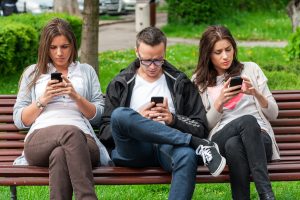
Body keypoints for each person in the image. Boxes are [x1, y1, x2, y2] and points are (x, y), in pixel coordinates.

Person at [98, 26, 226, 200]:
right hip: (134, 148)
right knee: (121, 115)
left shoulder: (180, 82)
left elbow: (200, 126)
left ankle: (190, 144)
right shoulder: (121, 82)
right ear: (137, 52)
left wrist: (173, 119)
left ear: (165, 52)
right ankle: (194, 143)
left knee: (187, 156)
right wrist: (137, 118)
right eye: (147, 60)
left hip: (168, 146)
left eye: (158, 60)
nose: (152, 66)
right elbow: (105, 130)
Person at [13, 18, 111, 200]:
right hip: (40, 140)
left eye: (65, 46)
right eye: (53, 47)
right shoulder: (33, 73)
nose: (59, 53)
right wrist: (43, 99)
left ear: (73, 46)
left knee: (60, 154)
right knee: (70, 133)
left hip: (85, 142)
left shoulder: (86, 71)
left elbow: (98, 115)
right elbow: (20, 119)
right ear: (45, 48)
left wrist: (76, 96)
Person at [193, 25, 279, 200]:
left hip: (260, 139)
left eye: (228, 49)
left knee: (235, 145)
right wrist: (219, 102)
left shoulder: (251, 69)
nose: (225, 56)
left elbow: (273, 114)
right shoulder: (199, 81)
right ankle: (267, 194)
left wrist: (256, 94)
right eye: (218, 52)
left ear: (234, 48)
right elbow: (204, 126)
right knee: (246, 121)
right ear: (207, 54)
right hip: (220, 139)